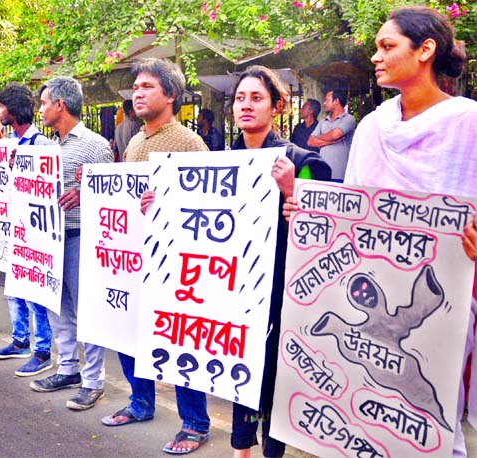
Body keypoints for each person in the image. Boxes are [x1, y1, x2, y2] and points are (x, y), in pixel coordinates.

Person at [340, 7, 476, 455]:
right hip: (374, 294)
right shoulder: (371, 128)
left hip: (449, 298)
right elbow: (349, 211)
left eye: (387, 46)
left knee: (435, 423)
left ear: (425, 50)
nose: (376, 57)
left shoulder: (468, 123)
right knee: (371, 414)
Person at [104, 57, 213, 455]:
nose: (138, 93)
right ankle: (140, 402)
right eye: (137, 87)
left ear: (170, 95)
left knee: (182, 338)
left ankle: (195, 423)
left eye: (148, 86)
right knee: (126, 328)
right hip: (134, 258)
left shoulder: (188, 142)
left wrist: (166, 202)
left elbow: (206, 205)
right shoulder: (134, 141)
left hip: (175, 263)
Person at [229, 65, 331, 458]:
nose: (246, 106)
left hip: (280, 292)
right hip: (232, 288)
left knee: (274, 376)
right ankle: (240, 449)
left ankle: (273, 450)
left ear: (276, 106)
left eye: (256, 98)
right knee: (236, 365)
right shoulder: (218, 164)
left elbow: (324, 228)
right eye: (241, 98)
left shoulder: (301, 160)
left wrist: (293, 188)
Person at [28, 76, 113, 410]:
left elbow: (112, 198)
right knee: (56, 307)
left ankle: (93, 381)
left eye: (44, 103)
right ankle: (67, 369)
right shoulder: (48, 147)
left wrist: (84, 193)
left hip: (81, 239)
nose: (41, 109)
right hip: (49, 241)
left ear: (59, 105)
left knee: (86, 311)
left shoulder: (95, 145)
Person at [0, 83, 55, 377]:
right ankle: (19, 340)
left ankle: (42, 351)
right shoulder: (8, 143)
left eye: (2, 107)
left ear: (13, 109)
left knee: (35, 295)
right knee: (14, 290)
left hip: (34, 233)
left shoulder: (41, 145)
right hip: (11, 229)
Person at [307, 89, 356, 180]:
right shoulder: (323, 121)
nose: (324, 103)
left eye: (327, 100)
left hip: (340, 175)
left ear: (336, 101)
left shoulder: (349, 119)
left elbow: (335, 135)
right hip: (322, 174)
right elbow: (310, 141)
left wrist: (319, 138)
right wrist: (329, 142)